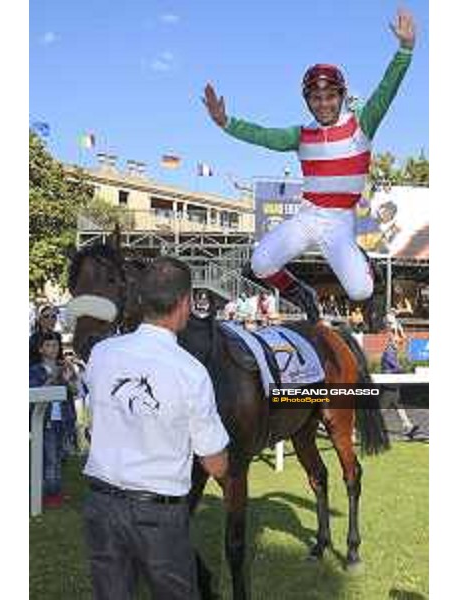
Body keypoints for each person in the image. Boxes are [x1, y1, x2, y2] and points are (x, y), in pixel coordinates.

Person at [203, 9, 416, 323]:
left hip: (340, 222)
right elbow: (263, 135)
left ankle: (367, 266)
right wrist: (226, 123)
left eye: (330, 96)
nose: (323, 103)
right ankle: (301, 293)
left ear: (341, 97)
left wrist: (405, 50)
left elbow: (387, 90)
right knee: (261, 263)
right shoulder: (301, 135)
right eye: (315, 98)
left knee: (360, 291)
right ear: (307, 101)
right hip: (309, 215)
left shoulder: (362, 124)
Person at [82, 256, 229, 600]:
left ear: (141, 301)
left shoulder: (102, 354)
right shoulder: (190, 372)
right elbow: (216, 464)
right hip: (157, 515)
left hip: (101, 505)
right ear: (184, 304)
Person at [29, 331, 78, 508]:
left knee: (59, 457)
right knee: (49, 458)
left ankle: (55, 490)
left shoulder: (64, 367)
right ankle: (48, 494)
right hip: (46, 421)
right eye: (48, 345)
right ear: (41, 349)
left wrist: (69, 378)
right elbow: (36, 393)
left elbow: (75, 391)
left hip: (63, 419)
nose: (53, 348)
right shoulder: (34, 370)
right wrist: (53, 376)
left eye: (56, 345)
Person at [380, 330, 419, 440]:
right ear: (392, 342)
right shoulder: (389, 352)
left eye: (400, 343)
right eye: (398, 343)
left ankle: (408, 426)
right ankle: (370, 427)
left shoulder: (392, 351)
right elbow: (395, 367)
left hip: (393, 384)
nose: (399, 345)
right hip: (389, 384)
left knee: (399, 406)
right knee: (382, 409)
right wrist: (405, 370)